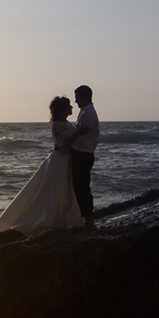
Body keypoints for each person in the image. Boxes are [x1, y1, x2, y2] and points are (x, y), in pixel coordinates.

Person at [0, 96, 83, 235]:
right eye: (69, 105)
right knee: (57, 190)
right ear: (63, 109)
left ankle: (68, 215)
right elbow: (62, 145)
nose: (72, 107)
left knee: (67, 189)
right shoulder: (56, 124)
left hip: (67, 160)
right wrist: (79, 134)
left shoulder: (66, 123)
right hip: (59, 161)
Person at [69, 85, 99, 230]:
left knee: (82, 188)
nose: (75, 102)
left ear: (85, 97)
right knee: (80, 188)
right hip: (83, 154)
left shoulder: (87, 115)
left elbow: (79, 139)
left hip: (82, 155)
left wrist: (67, 145)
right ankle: (84, 219)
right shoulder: (85, 112)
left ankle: (89, 222)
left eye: (77, 98)